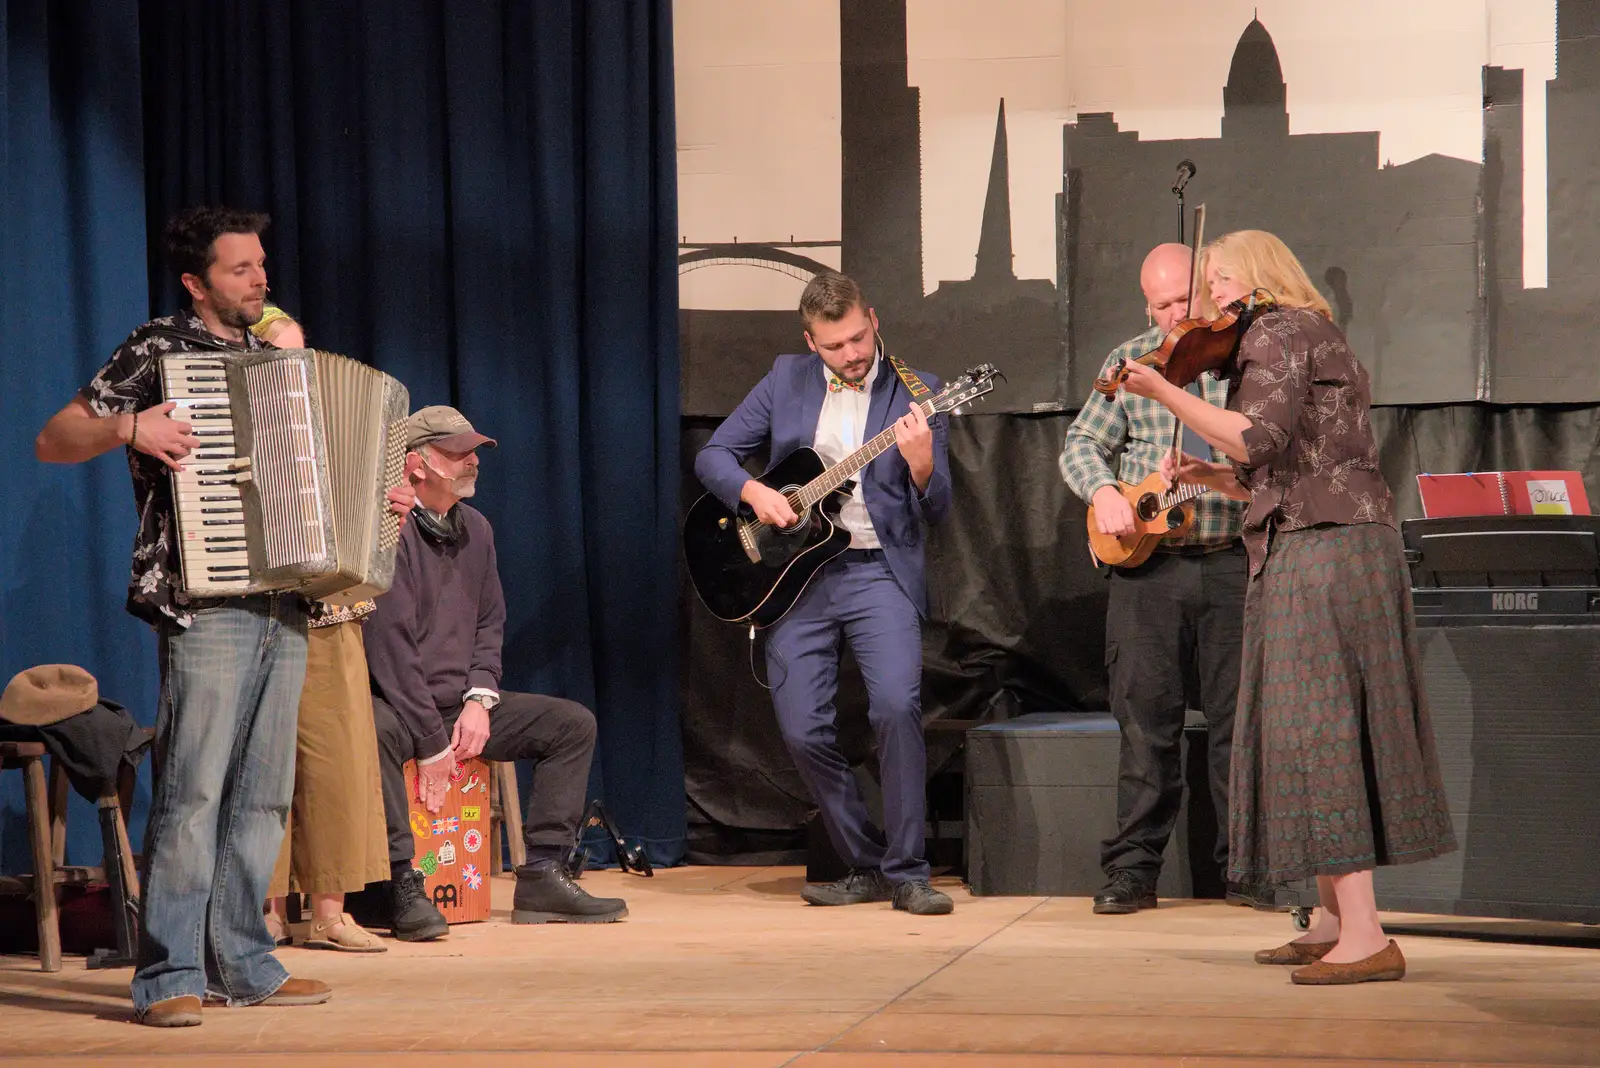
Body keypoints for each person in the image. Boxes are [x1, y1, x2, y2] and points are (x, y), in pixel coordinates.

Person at [1118, 229, 1457, 984]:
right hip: (1316, 539)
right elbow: (1285, 463)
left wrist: (1165, 391)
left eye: (1224, 281)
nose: (1215, 299)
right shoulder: (1302, 334)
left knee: (1323, 729)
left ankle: (1366, 936)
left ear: (1263, 277)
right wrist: (1212, 478)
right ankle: (1335, 920)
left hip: (1327, 551)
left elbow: (1258, 433)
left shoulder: (1277, 331)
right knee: (1305, 729)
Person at [34, 207, 336, 1025]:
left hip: (286, 593)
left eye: (262, 265)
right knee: (196, 790)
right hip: (206, 596)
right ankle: (168, 975)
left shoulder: (281, 355)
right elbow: (56, 437)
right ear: (197, 283)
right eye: (241, 269)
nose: (261, 278)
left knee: (265, 792)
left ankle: (242, 960)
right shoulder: (158, 348)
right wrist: (133, 424)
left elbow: (323, 463)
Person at [694, 271, 955, 916]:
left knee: (895, 708)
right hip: (798, 577)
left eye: (860, 337)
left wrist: (921, 461)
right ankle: (866, 864)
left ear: (874, 318)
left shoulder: (916, 392)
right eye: (836, 346)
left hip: (876, 570)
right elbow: (715, 456)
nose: (854, 354)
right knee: (803, 729)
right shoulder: (786, 379)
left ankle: (910, 871)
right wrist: (755, 494)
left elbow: (940, 505)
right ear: (811, 342)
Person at [365, 405, 627, 939]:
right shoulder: (387, 529)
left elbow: (490, 622)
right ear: (416, 464)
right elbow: (390, 648)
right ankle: (396, 882)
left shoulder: (477, 529)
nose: (471, 464)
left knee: (571, 723)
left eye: (474, 454)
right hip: (397, 700)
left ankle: (544, 872)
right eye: (457, 454)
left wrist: (480, 698)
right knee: (374, 732)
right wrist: (432, 741)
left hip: (456, 702)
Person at [1060, 244, 1249, 915]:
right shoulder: (1129, 361)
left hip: (1233, 558)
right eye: (1163, 305)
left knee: (1239, 725)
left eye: (1185, 301)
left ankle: (1245, 871)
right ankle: (1133, 871)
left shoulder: (1245, 355)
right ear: (1148, 306)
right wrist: (1103, 491)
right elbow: (1080, 442)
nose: (1176, 316)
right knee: (1145, 724)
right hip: (1151, 567)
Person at [250, 306, 400, 953]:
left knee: (337, 762)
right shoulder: (235, 427)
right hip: (259, 613)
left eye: (301, 357)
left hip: (335, 614)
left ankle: (332, 910)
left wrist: (392, 507)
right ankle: (262, 908)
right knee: (267, 764)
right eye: (283, 357)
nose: (298, 371)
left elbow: (372, 514)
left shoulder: (331, 425)